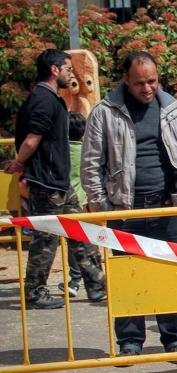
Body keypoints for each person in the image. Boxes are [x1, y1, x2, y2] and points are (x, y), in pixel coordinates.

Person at [81, 51, 177, 357]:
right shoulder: (104, 112)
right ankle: (130, 342)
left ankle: (175, 338)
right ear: (125, 80)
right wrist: (99, 205)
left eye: (152, 81)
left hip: (167, 206)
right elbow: (91, 164)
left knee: (171, 273)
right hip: (124, 210)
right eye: (139, 83)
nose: (147, 88)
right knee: (127, 277)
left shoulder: (172, 108)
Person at [4, 49, 103, 310]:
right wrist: (20, 163)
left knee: (80, 232)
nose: (72, 74)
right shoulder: (43, 100)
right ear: (54, 70)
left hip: (59, 182)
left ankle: (97, 285)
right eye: (68, 69)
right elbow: (32, 139)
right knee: (45, 239)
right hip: (47, 183)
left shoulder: (49, 98)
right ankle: (35, 292)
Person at [59, 112, 105, 301]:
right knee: (84, 245)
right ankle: (83, 281)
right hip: (83, 205)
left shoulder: (60, 152)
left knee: (73, 245)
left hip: (61, 202)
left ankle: (74, 280)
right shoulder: (86, 152)